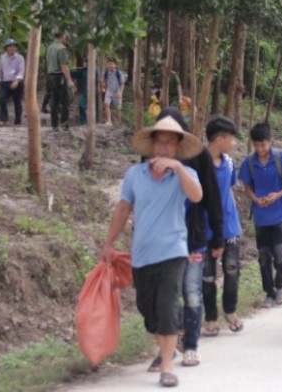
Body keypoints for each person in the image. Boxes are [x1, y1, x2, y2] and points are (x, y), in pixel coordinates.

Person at [99, 115, 204, 388]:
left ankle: (167, 366)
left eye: (170, 144)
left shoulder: (186, 174)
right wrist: (109, 243)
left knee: (168, 307)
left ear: (177, 148)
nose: (164, 148)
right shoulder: (135, 175)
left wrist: (178, 168)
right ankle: (165, 347)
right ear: (151, 145)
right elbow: (123, 209)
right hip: (142, 255)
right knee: (148, 309)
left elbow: (196, 196)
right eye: (160, 143)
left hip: (173, 252)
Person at [154, 108, 224, 369]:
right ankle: (171, 341)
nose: (165, 142)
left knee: (191, 293)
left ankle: (191, 345)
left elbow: (211, 196)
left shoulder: (199, 155)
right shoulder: (151, 155)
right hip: (160, 239)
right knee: (164, 296)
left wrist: (218, 235)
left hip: (192, 238)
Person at [239, 123, 282, 308]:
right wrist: (256, 199)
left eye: (263, 145)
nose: (260, 149)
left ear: (270, 141)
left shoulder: (281, 158)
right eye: (256, 145)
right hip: (261, 216)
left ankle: (280, 286)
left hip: (280, 213)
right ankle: (269, 292)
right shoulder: (248, 163)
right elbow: (247, 188)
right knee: (264, 256)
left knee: (280, 253)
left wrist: (277, 195)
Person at [202, 117, 245, 337]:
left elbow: (228, 190)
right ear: (219, 139)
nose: (234, 143)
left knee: (232, 270)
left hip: (230, 227)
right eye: (232, 139)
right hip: (205, 228)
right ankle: (210, 318)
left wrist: (235, 222)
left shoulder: (229, 162)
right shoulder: (198, 163)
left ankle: (230, 310)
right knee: (207, 276)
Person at [45, 31, 75, 131]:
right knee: (65, 101)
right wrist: (69, 80)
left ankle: (54, 125)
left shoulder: (50, 47)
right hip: (59, 77)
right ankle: (64, 125)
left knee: (54, 100)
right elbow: (64, 66)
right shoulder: (61, 48)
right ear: (62, 36)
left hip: (50, 76)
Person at [0, 39, 25, 126]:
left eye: (13, 46)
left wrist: (17, 81)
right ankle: (4, 119)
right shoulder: (2, 58)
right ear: (6, 48)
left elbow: (21, 71)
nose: (12, 48)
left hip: (16, 83)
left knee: (17, 102)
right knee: (2, 99)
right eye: (10, 46)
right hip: (5, 82)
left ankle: (18, 121)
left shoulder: (20, 58)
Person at [101, 58, 125, 126]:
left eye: (112, 64)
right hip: (109, 91)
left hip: (117, 92)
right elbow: (104, 82)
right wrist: (103, 87)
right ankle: (109, 121)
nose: (110, 65)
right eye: (109, 64)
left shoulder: (118, 73)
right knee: (106, 104)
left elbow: (122, 83)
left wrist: (120, 93)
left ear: (115, 65)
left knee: (118, 109)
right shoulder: (106, 73)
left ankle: (119, 122)